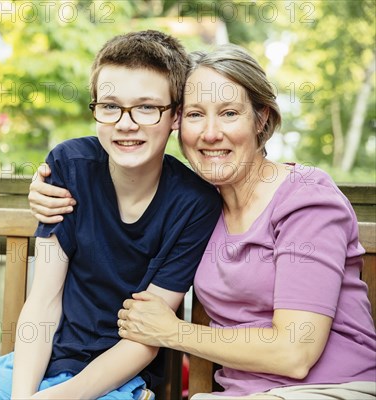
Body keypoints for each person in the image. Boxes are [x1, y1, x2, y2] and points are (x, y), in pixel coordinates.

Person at [28, 45, 376, 399]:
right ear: (177, 121)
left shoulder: (306, 201)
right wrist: (44, 189)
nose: (210, 133)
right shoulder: (203, 209)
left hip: (334, 388)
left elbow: (294, 352)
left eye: (228, 113)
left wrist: (174, 332)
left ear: (261, 119)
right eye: (196, 115)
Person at [0, 30, 222, 400]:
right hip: (37, 361)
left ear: (176, 115)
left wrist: (59, 397)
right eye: (110, 106)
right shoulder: (70, 167)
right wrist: (24, 397)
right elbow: (44, 302)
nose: (126, 122)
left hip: (116, 379)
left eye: (147, 107)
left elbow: (144, 336)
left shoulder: (193, 205)